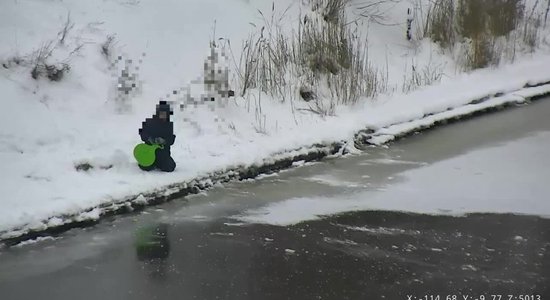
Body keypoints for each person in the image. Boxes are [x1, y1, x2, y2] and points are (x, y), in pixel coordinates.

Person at [138, 101, 176, 172]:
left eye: (165, 114)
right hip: (149, 152)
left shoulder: (169, 125)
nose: (163, 115)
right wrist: (150, 139)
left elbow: (171, 139)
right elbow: (142, 133)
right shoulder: (149, 122)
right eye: (161, 113)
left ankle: (159, 163)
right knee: (146, 167)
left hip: (162, 153)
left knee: (170, 167)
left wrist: (164, 141)